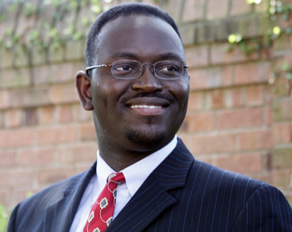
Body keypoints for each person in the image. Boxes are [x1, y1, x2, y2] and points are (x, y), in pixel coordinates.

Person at [8, 3, 292, 232]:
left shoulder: (245, 206)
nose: (149, 83)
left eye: (169, 68)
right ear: (86, 91)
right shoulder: (29, 216)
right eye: (125, 67)